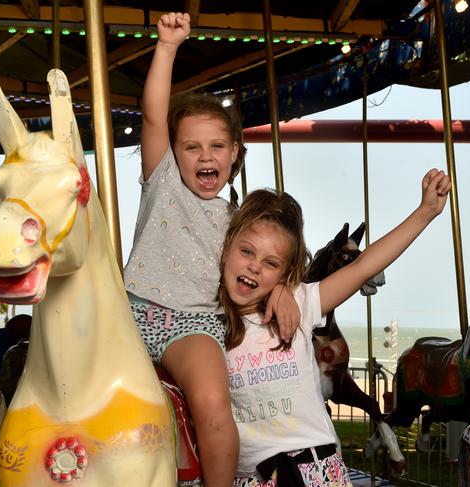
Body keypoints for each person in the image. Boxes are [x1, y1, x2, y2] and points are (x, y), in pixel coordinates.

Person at [123, 12, 300, 487]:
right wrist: (167, 48)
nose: (205, 157)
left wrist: (281, 286)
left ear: (235, 153)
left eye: (217, 146)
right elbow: (154, 115)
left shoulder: (238, 219)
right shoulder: (162, 183)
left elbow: (261, 260)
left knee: (211, 403)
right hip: (131, 311)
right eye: (192, 147)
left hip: (192, 323)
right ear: (173, 153)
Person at [219, 169, 451, 486]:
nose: (255, 266)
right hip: (254, 477)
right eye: (247, 251)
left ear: (285, 274)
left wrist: (425, 213)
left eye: (271, 263)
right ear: (227, 247)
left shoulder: (300, 303)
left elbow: (363, 266)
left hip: (317, 469)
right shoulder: (208, 324)